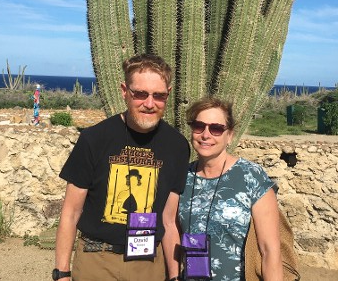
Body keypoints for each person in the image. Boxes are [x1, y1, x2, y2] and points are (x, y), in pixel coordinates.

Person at [53, 54, 190, 281]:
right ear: (125, 91)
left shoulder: (177, 146)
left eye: (159, 96)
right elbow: (71, 212)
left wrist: (175, 277)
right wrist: (62, 273)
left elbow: (169, 220)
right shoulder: (94, 138)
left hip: (149, 265)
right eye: (140, 94)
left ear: (168, 94)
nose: (149, 103)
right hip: (96, 260)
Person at [178, 97, 283, 281]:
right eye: (199, 126)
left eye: (216, 128)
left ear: (230, 135)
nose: (206, 134)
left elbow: (270, 250)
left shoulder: (251, 176)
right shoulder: (182, 177)